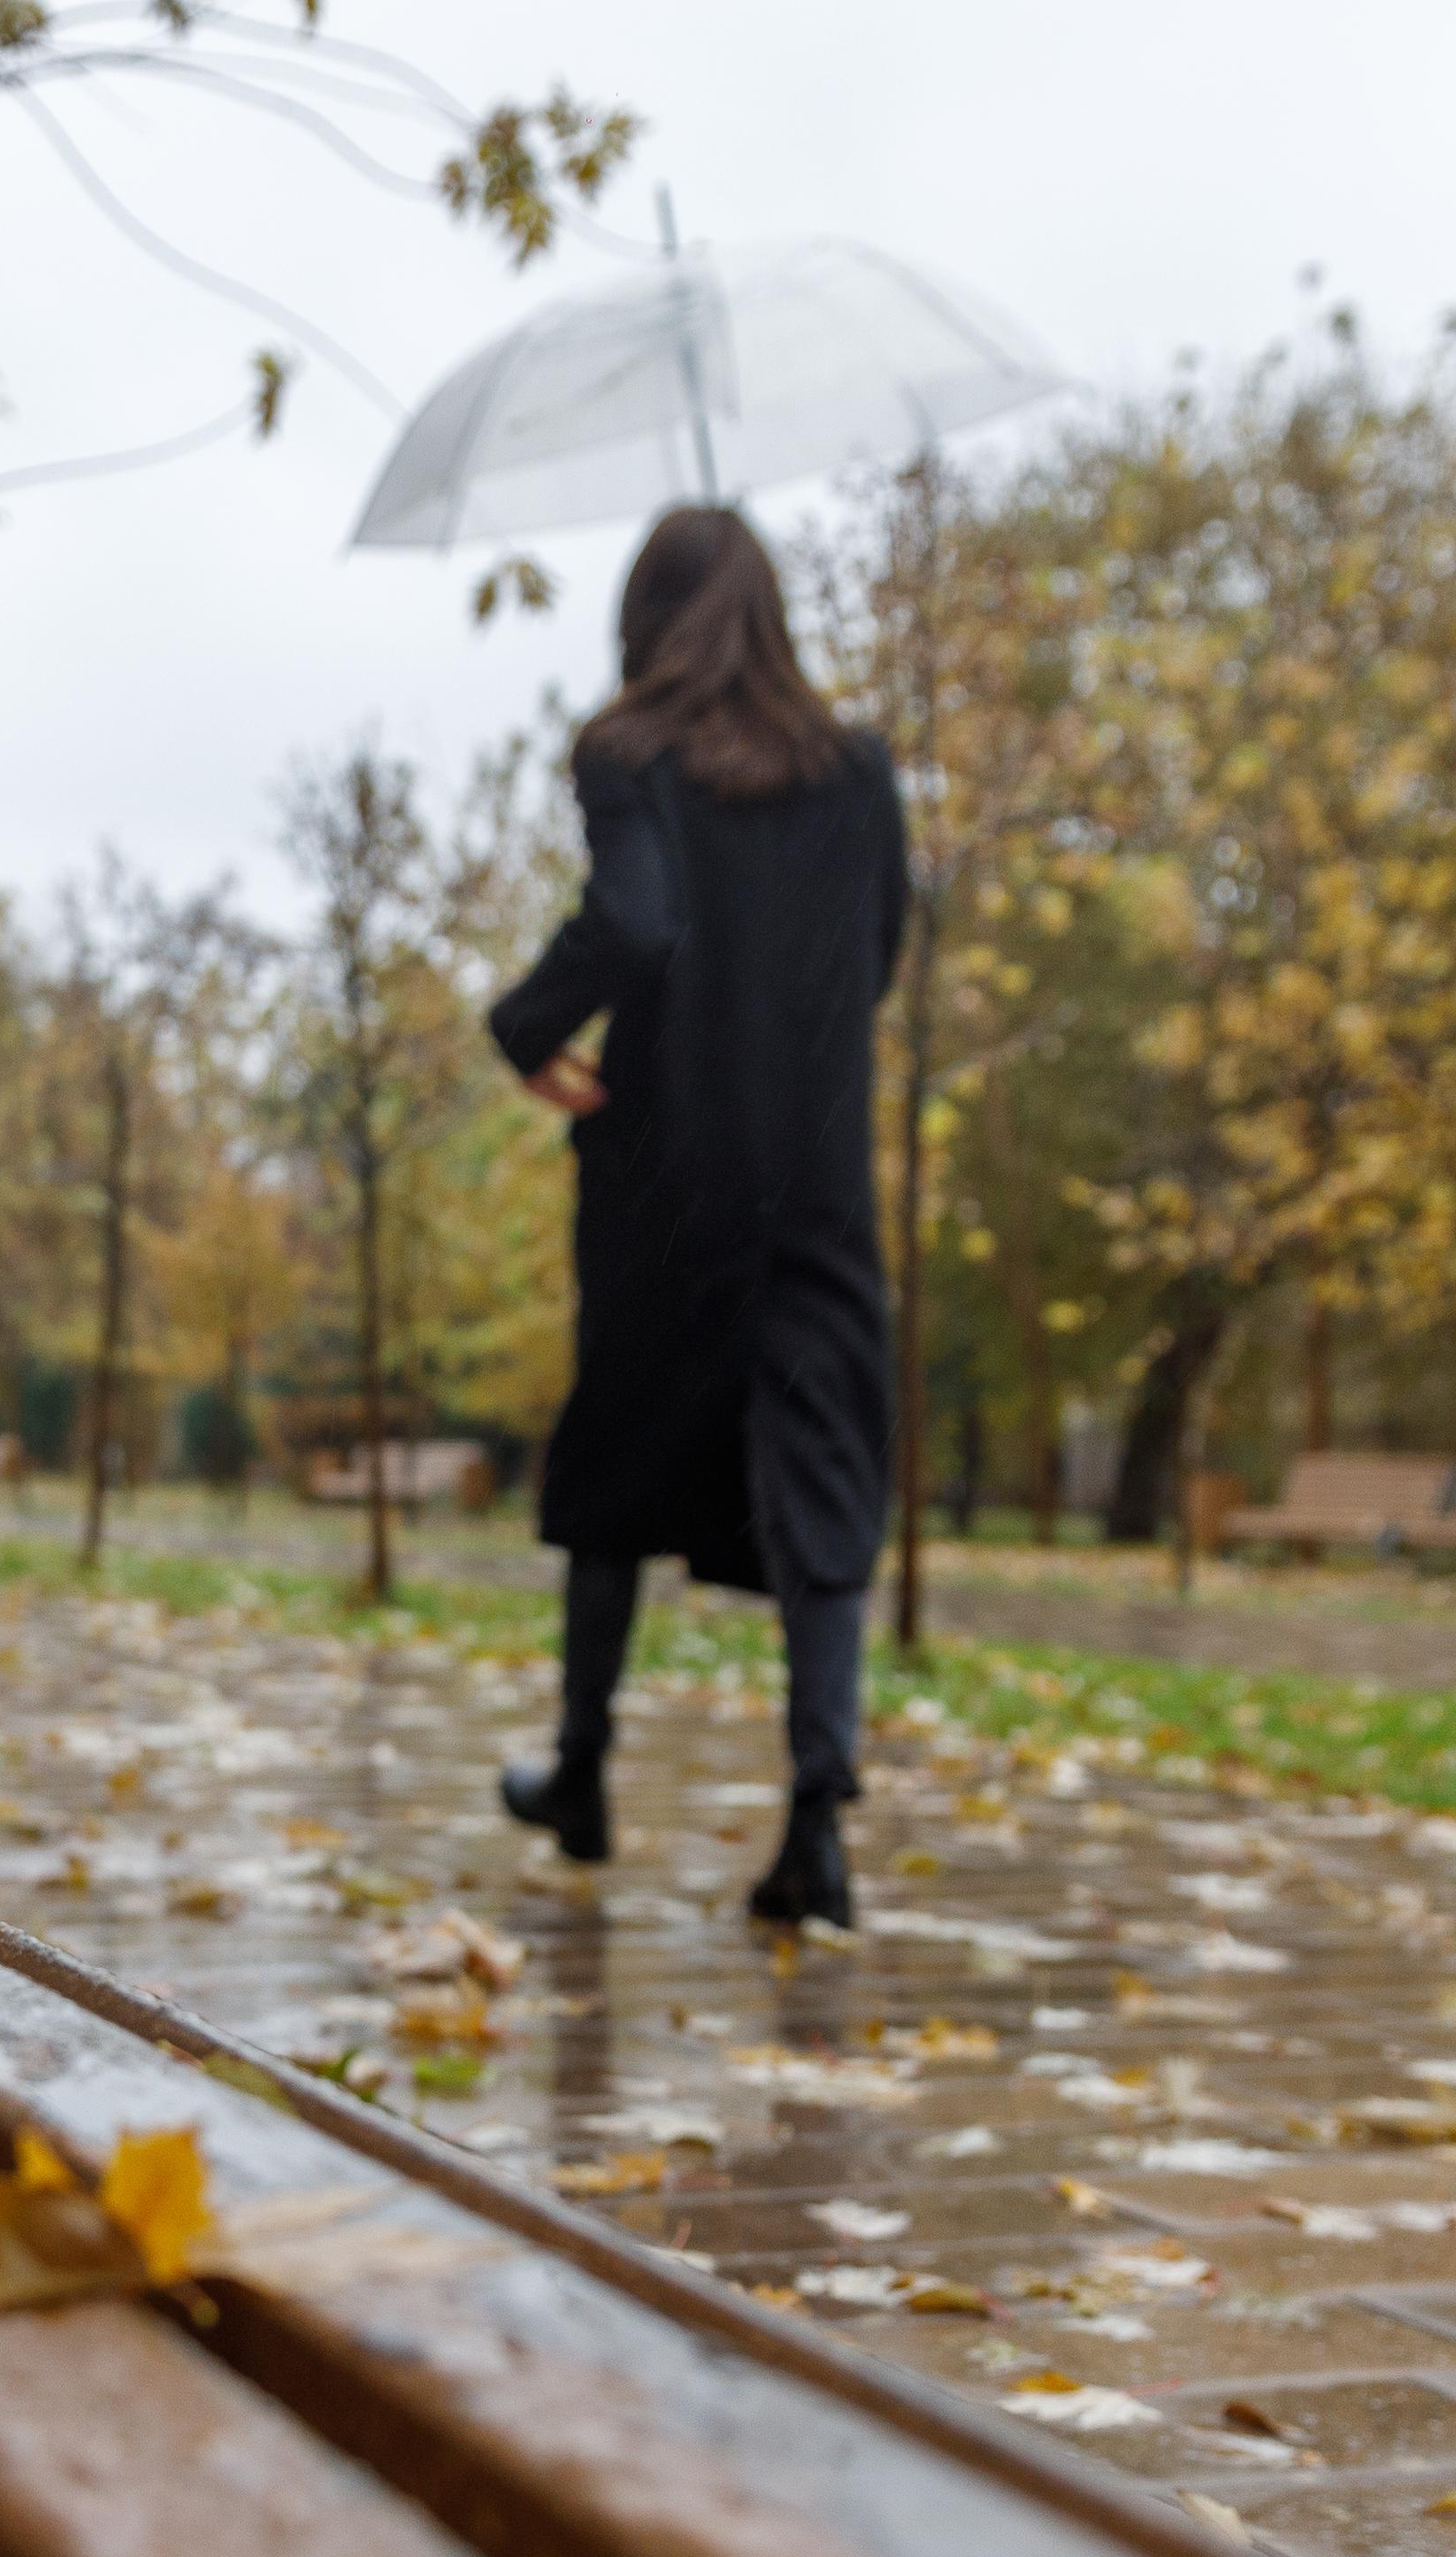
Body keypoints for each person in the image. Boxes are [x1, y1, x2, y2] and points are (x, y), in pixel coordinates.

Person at [485, 506, 906, 1928]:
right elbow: (880, 950)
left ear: (644, 615)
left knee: (623, 1452)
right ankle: (817, 1824)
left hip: (669, 1167)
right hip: (817, 1175)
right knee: (824, 1472)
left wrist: (526, 1023)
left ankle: (585, 1772)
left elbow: (638, 921)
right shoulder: (860, 773)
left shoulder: (627, 752)